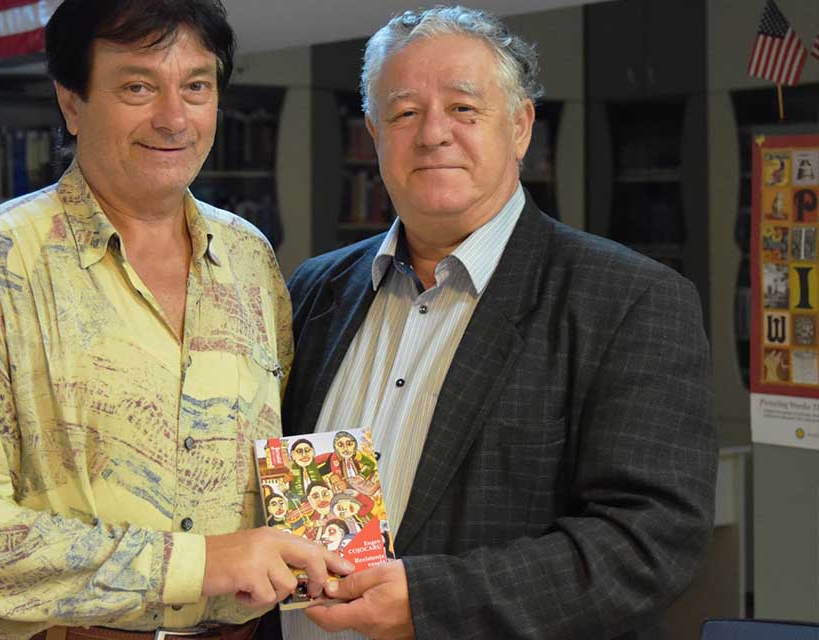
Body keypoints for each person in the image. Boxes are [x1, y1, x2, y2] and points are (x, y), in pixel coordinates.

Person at [0, 2, 351, 639]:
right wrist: (197, 565)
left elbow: (284, 457)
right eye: (137, 87)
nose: (174, 118)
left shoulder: (250, 257)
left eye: (196, 86)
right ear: (71, 103)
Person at [280, 6, 717, 640]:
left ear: (520, 127)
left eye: (463, 109)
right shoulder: (315, 289)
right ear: (374, 134)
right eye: (404, 113)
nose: (433, 134)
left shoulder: (631, 300)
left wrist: (429, 602)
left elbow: (649, 542)